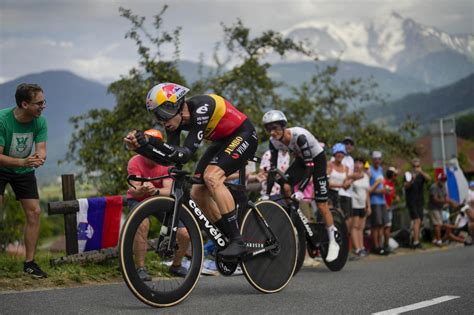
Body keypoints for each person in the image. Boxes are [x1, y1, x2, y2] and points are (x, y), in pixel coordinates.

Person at [124, 83, 258, 259]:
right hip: (221, 142)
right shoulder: (174, 121)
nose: (162, 121)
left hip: (244, 134)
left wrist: (152, 141)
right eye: (157, 116)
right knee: (197, 193)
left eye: (163, 113)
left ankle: (237, 241)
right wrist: (141, 148)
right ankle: (227, 236)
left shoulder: (202, 109)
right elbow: (172, 157)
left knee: (212, 177)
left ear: (178, 105)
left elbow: (186, 154)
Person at [261, 110, 340, 262]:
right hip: (301, 161)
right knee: (284, 183)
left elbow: (310, 167)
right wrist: (267, 194)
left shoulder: (300, 137)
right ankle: (294, 211)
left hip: (317, 161)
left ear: (284, 126)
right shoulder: (274, 141)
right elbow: (273, 169)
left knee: (322, 204)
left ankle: (333, 240)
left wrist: (302, 190)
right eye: (269, 129)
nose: (272, 132)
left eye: (276, 127)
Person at [126, 130, 190, 279]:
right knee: (142, 224)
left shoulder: (166, 163)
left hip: (158, 198)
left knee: (185, 233)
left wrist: (155, 191)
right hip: (139, 199)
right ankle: (140, 267)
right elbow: (133, 189)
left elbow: (168, 190)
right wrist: (141, 190)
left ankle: (176, 265)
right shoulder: (134, 161)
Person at [0, 83, 48, 278]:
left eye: (44, 102)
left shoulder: (40, 121)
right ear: (24, 104)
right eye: (39, 103)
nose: (43, 106)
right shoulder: (3, 119)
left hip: (24, 169)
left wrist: (39, 158)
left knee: (35, 212)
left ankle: (29, 263)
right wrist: (21, 161)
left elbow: (42, 149)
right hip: (2, 167)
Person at [404, 157, 431, 249]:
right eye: (414, 166)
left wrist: (421, 172)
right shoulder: (408, 175)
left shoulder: (421, 175)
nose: (416, 168)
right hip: (411, 201)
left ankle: (415, 239)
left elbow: (429, 179)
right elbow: (406, 186)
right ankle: (416, 241)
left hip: (420, 201)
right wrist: (411, 180)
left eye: (417, 166)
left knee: (420, 221)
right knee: (417, 220)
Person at [428, 173, 457, 246]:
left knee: (438, 224)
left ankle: (435, 239)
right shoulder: (434, 187)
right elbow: (435, 199)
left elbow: (446, 197)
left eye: (445, 180)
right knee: (438, 224)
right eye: (442, 179)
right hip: (433, 208)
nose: (443, 181)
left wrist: (451, 202)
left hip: (439, 208)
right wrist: (447, 201)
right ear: (439, 179)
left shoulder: (444, 187)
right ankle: (439, 240)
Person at [368, 151, 388, 255]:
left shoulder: (380, 170)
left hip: (382, 201)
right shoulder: (369, 170)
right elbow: (369, 189)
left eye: (379, 159)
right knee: (375, 226)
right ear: (372, 160)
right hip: (374, 201)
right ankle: (375, 246)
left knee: (382, 225)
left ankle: (380, 246)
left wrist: (385, 190)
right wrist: (378, 189)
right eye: (375, 159)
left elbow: (382, 185)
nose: (377, 161)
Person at [350, 158, 371, 257]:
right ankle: (357, 248)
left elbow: (367, 192)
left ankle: (362, 247)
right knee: (355, 226)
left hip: (363, 204)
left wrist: (368, 205)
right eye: (356, 163)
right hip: (354, 204)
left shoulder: (366, 176)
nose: (358, 165)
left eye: (360, 163)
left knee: (361, 227)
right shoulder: (351, 175)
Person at [327, 143, 352, 221]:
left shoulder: (346, 168)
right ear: (334, 154)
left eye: (342, 153)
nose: (340, 155)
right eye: (338, 153)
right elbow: (327, 184)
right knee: (329, 215)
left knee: (340, 217)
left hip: (337, 195)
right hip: (328, 193)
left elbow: (346, 186)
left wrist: (349, 183)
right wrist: (342, 185)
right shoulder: (329, 165)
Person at [383, 166, 399, 253]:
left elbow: (391, 194)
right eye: (395, 175)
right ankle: (384, 245)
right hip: (384, 208)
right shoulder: (384, 183)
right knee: (385, 227)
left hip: (390, 208)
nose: (396, 176)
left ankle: (386, 244)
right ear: (391, 175)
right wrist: (385, 205)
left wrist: (395, 197)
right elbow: (382, 195)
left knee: (388, 227)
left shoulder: (392, 184)